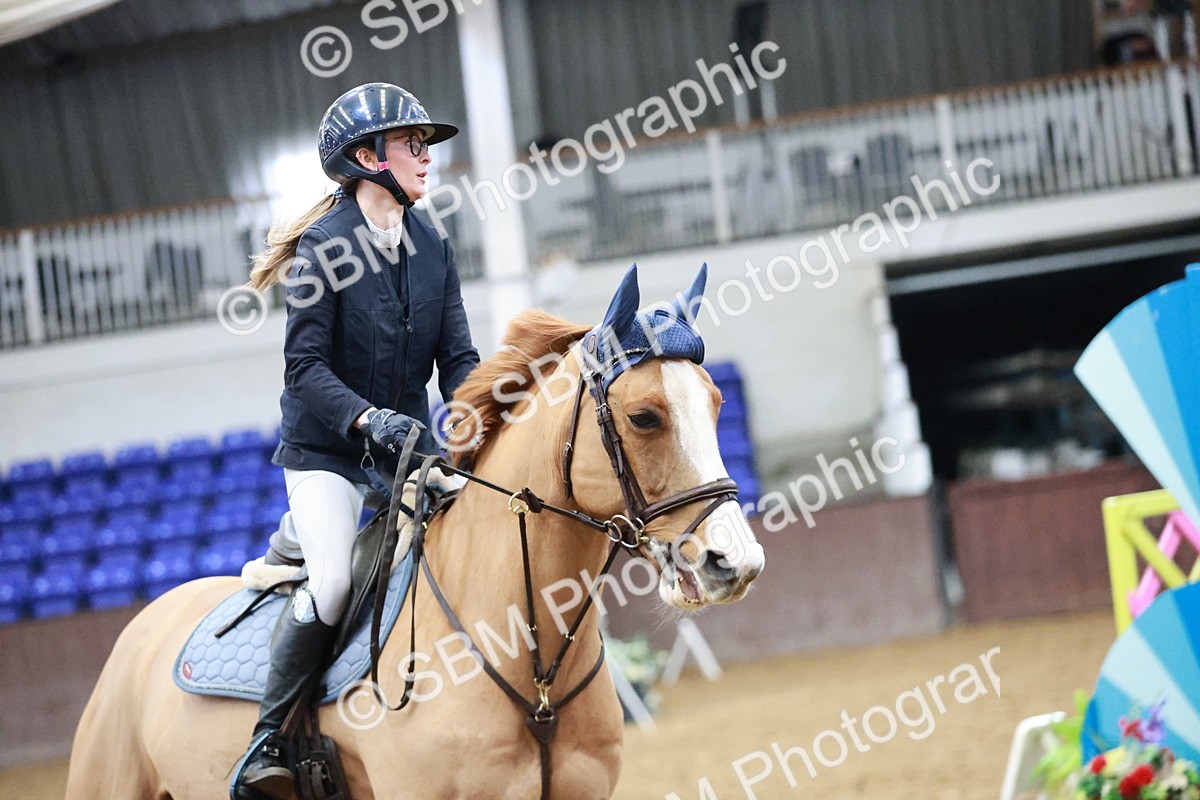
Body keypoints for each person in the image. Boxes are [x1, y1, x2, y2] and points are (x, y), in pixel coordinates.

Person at [231, 82, 480, 799]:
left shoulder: (432, 245)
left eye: (426, 146)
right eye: (412, 145)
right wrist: (369, 420)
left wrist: (479, 415)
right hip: (329, 456)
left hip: (405, 457)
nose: (426, 157)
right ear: (367, 157)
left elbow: (457, 361)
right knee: (336, 580)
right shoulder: (323, 250)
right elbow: (304, 370)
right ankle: (266, 743)